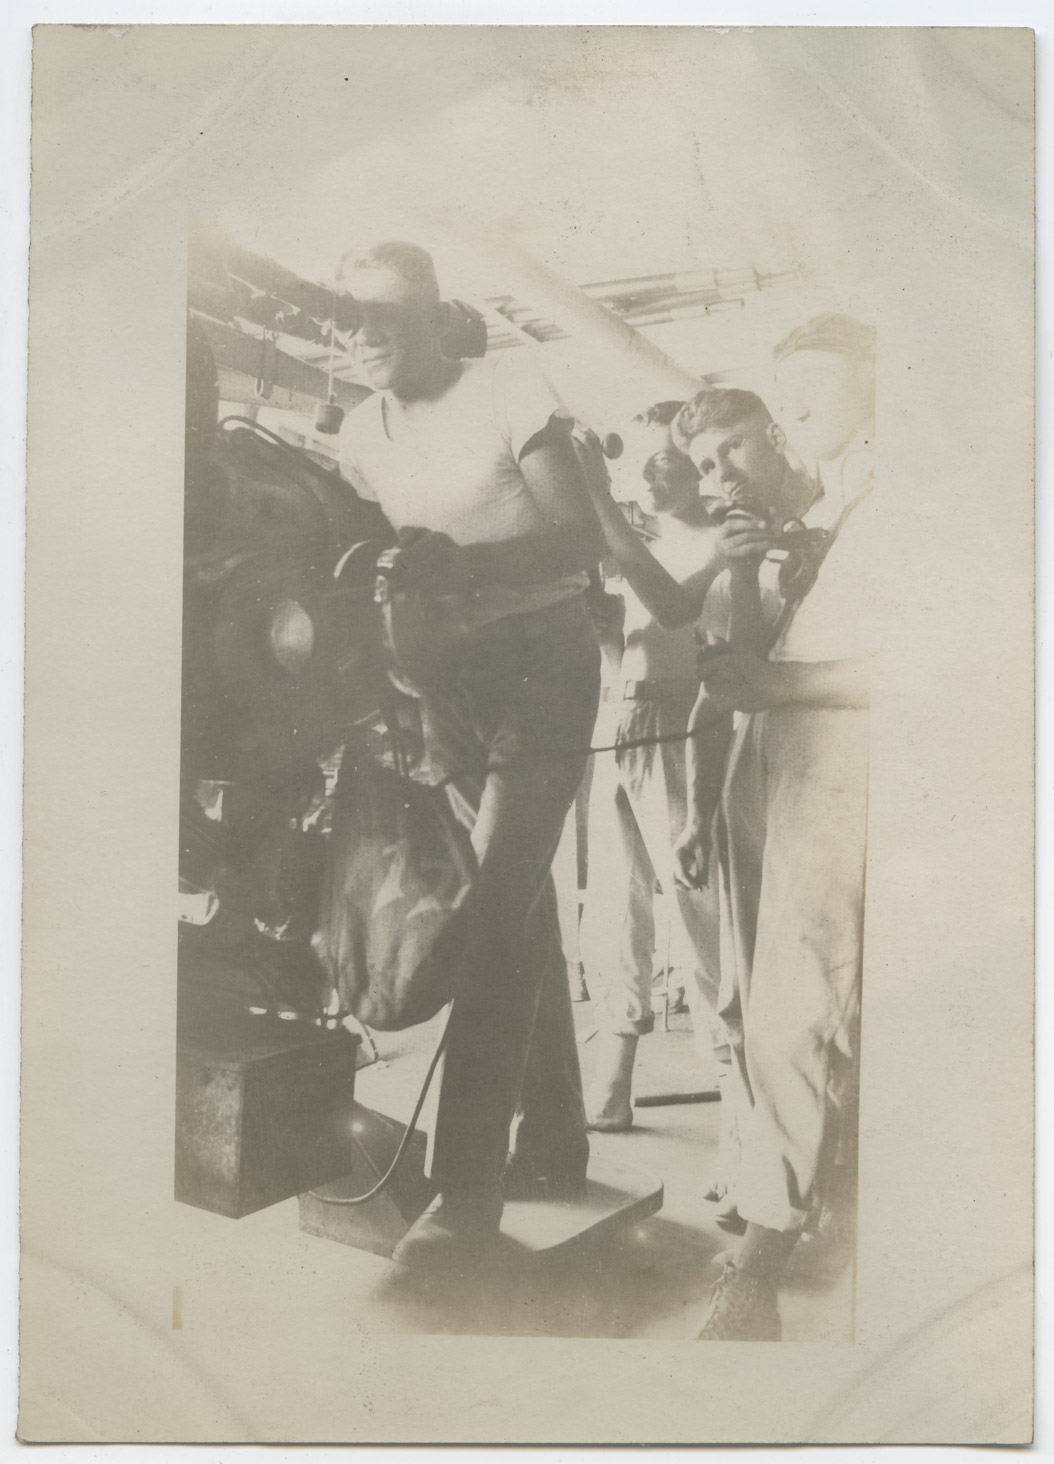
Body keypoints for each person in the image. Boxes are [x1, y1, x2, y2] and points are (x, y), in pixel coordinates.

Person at [336, 242, 604, 1270]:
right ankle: (558, 1139)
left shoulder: (508, 383)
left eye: (386, 313)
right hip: (442, 679)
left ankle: (467, 1196)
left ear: (435, 314)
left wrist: (466, 567)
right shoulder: (362, 434)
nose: (365, 334)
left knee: (489, 910)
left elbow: (578, 540)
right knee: (509, 895)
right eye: (346, 317)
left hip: (543, 665)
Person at [677, 317, 875, 1341]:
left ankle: (761, 1252)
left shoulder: (906, 498)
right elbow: (748, 668)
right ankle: (786, 1203)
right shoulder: (835, 503)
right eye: (784, 392)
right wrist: (752, 580)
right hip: (774, 759)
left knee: (801, 999)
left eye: (812, 390)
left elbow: (941, 668)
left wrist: (775, 681)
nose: (795, 411)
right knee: (761, 998)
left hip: (838, 765)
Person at [574, 403, 729, 1130]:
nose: (649, 477)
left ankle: (738, 1099)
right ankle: (614, 1076)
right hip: (623, 721)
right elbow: (617, 630)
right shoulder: (635, 538)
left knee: (698, 907)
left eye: (664, 463)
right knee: (615, 907)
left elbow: (670, 613)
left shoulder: (723, 538)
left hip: (681, 723)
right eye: (641, 466)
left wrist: (599, 497)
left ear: (699, 469)